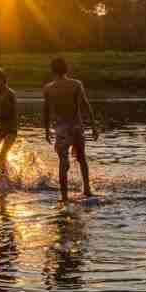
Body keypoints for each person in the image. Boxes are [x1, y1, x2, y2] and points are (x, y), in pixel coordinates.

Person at [43, 58, 99, 201]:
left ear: (52, 70)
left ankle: (64, 197)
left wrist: (46, 130)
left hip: (61, 129)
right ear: (66, 69)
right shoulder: (75, 84)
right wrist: (93, 126)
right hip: (76, 127)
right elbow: (86, 105)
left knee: (63, 162)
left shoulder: (48, 88)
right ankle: (87, 190)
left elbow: (46, 111)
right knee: (81, 158)